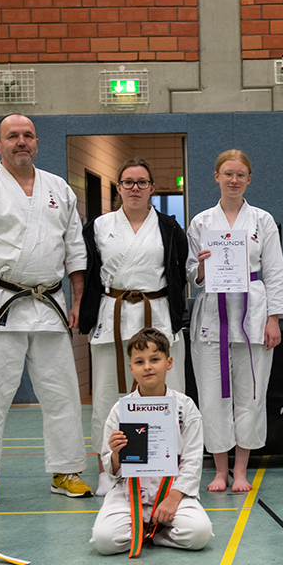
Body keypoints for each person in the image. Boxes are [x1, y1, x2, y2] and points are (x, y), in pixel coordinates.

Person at [0, 114, 90, 503]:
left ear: (37, 142)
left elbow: (75, 252)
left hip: (50, 306)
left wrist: (79, 301)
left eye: (28, 135)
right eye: (12, 136)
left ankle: (66, 470)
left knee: (62, 393)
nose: (21, 141)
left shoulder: (59, 188)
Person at [79, 158, 188, 490]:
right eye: (128, 182)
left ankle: (168, 466)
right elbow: (87, 273)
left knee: (167, 393)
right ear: (119, 187)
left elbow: (180, 272)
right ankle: (107, 470)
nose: (135, 188)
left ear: (152, 187)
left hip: (157, 312)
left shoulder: (169, 227)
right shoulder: (99, 226)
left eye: (142, 182)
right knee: (107, 396)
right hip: (113, 314)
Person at [186, 150, 283, 493]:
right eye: (227, 174)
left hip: (253, 311)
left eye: (240, 174)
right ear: (216, 176)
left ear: (249, 179)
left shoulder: (262, 220)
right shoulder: (201, 222)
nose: (234, 180)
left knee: (251, 394)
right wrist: (201, 268)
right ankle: (220, 470)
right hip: (212, 313)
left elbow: (275, 272)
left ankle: (241, 469)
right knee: (212, 394)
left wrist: (274, 318)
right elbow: (190, 273)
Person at [90, 328, 213, 556]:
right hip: (129, 493)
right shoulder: (121, 410)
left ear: (169, 362)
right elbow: (112, 470)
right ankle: (145, 529)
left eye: (154, 359)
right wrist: (116, 454)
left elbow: (192, 460)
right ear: (131, 368)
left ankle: (155, 535)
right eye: (139, 362)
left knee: (199, 534)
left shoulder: (185, 408)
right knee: (105, 542)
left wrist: (174, 497)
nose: (147, 366)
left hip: (172, 491)